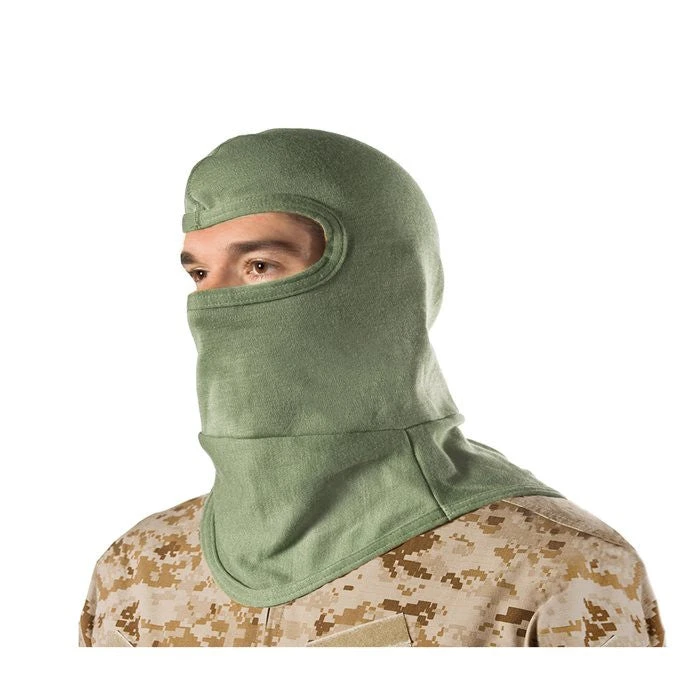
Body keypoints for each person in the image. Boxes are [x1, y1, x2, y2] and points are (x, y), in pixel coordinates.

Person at [78, 128, 665, 647]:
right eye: (200, 273)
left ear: (381, 282)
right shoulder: (135, 571)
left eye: (259, 265)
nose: (214, 302)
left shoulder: (552, 570)